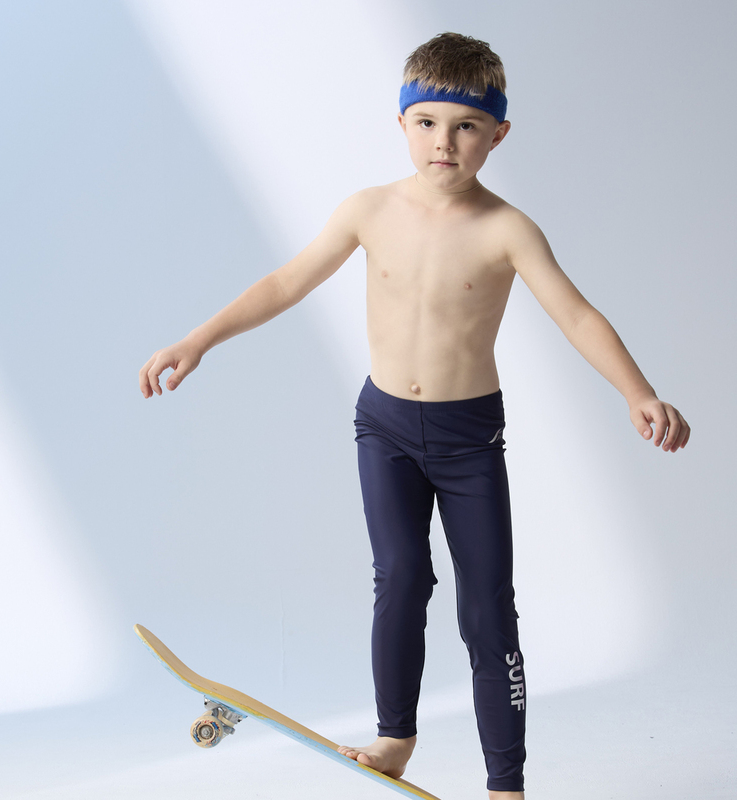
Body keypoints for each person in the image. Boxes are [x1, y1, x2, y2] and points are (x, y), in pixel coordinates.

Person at [138, 32, 690, 800]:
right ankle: (395, 736)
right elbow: (287, 281)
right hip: (386, 429)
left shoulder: (507, 229)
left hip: (468, 440)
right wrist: (197, 340)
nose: (444, 143)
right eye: (427, 122)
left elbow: (577, 314)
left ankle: (505, 784)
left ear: (498, 134)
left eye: (466, 127)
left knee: (488, 609)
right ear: (401, 122)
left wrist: (637, 391)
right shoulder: (369, 210)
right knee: (400, 577)